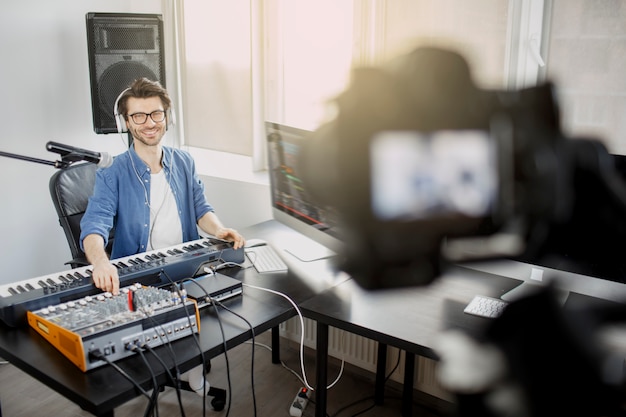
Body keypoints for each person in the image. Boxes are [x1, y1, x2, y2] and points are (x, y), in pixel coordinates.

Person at [80, 77, 245, 295]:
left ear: (168, 118)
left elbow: (200, 208)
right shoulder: (112, 172)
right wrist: (101, 262)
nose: (149, 123)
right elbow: (94, 225)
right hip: (138, 280)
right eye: (138, 116)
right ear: (125, 123)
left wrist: (219, 230)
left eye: (156, 114)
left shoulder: (184, 162)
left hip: (188, 270)